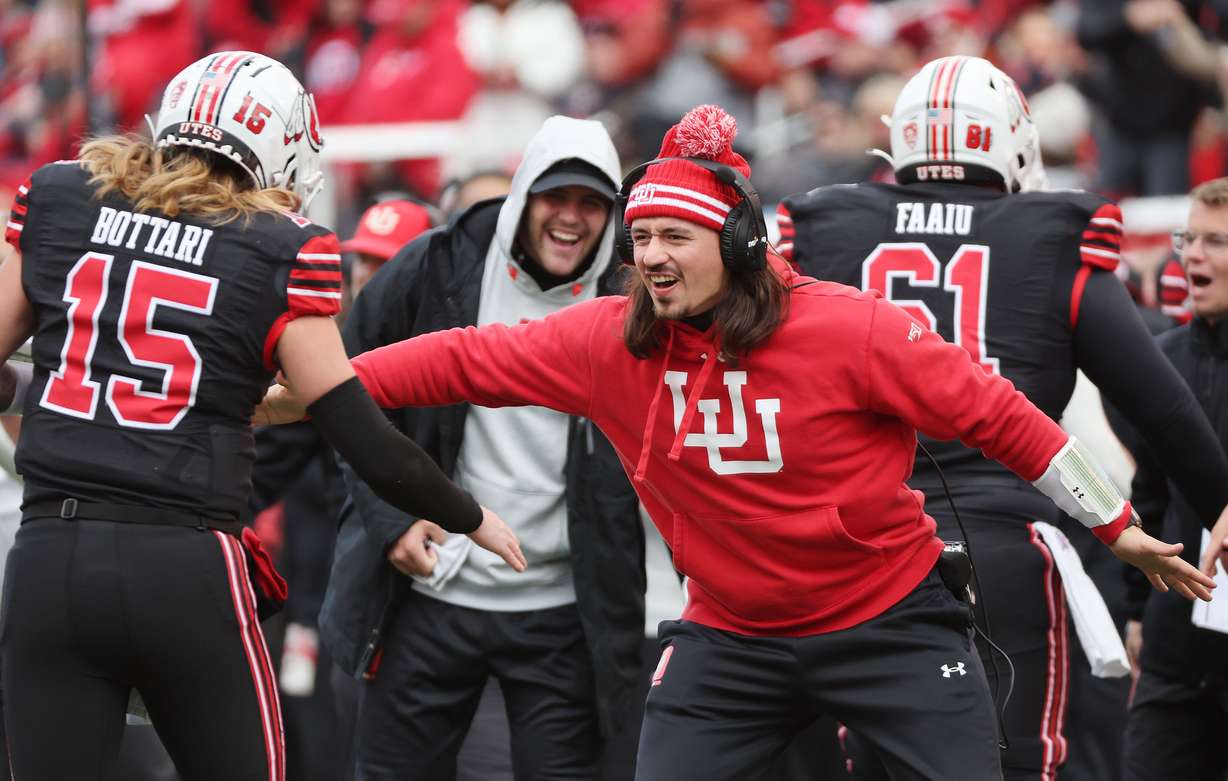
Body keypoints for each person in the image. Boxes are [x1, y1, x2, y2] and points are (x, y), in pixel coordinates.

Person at [258, 102, 1216, 781]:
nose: (653, 257)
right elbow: (460, 359)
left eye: (676, 235)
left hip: (884, 619)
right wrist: (314, 389)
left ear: (744, 243)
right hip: (734, 636)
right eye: (641, 239)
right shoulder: (611, 337)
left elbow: (1007, 419)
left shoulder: (850, 327)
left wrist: (1119, 522)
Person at [0, 50, 523, 781]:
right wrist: (468, 514)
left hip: (50, 554)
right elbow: (364, 438)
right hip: (180, 562)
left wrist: (43, 393)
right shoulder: (276, 248)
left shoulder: (62, 196)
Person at [777, 55, 1228, 780]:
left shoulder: (827, 227)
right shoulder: (1050, 236)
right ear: (1012, 143)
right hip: (1002, 546)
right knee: (1011, 765)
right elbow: (1159, 402)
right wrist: (1220, 501)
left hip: (852, 546)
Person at [319, 114, 646, 781]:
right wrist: (392, 518)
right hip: (427, 591)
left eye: (592, 203)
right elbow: (343, 391)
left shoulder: (635, 291)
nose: (571, 218)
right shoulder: (440, 261)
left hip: (563, 609)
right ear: (524, 193)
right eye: (556, 197)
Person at [1122, 177, 1228, 781]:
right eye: (1189, 238)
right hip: (1175, 651)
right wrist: (1138, 612)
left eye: (1216, 241)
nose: (1192, 255)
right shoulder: (1164, 357)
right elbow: (1150, 491)